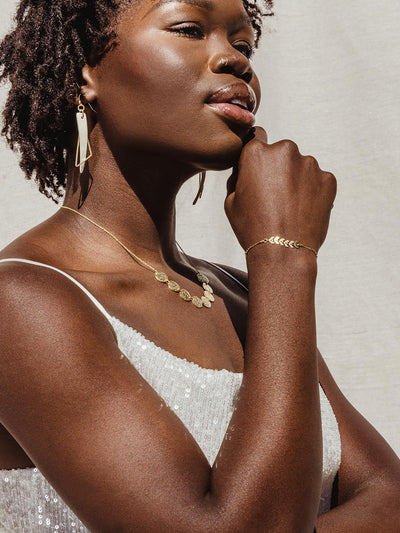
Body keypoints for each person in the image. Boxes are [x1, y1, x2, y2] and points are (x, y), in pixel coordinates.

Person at [0, 0, 399, 531]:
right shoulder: (22, 301)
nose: (236, 61)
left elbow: (389, 497)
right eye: (190, 29)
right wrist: (283, 255)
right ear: (84, 69)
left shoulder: (238, 293)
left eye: (243, 43)